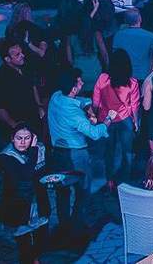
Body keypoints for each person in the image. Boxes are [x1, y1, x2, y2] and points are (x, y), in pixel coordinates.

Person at [47, 68, 112, 233]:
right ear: (73, 88)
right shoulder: (75, 114)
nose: (82, 82)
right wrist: (108, 120)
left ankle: (64, 225)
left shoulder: (56, 97)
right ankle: (78, 225)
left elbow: (80, 100)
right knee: (83, 189)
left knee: (62, 191)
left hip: (57, 152)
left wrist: (88, 106)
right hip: (77, 155)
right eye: (79, 81)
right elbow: (94, 133)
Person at [0, 123, 52, 264]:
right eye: (19, 138)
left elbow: (45, 169)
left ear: (33, 138)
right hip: (19, 207)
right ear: (12, 138)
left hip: (38, 202)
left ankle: (36, 259)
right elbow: (25, 175)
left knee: (42, 238)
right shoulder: (6, 157)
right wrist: (33, 150)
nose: (22, 142)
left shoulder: (40, 148)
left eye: (27, 138)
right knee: (24, 246)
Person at [93, 50, 140, 191]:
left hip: (106, 120)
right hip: (124, 119)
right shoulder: (132, 83)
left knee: (109, 152)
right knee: (127, 152)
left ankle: (110, 181)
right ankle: (125, 182)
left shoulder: (102, 79)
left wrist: (95, 117)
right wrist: (136, 122)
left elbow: (96, 101)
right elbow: (134, 106)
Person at [0, 41, 44, 136]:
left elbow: (33, 86)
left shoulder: (25, 67)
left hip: (34, 117)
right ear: (7, 59)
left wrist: (39, 105)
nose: (23, 55)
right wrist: (14, 125)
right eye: (17, 54)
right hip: (18, 123)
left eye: (22, 52)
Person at [112, 8, 153, 81]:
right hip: (144, 75)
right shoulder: (150, 36)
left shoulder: (118, 35)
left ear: (125, 20)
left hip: (124, 75)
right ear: (140, 19)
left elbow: (115, 56)